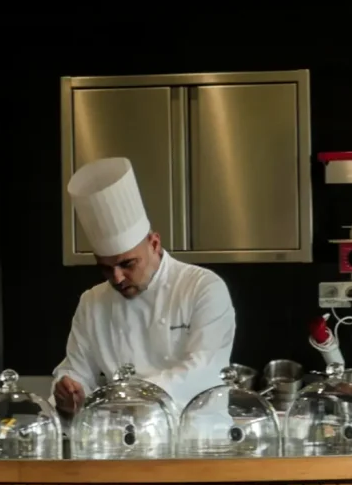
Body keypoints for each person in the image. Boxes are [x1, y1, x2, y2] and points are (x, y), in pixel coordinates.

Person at [52, 157, 237, 414]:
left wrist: (126, 397)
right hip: (122, 435)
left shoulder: (203, 288)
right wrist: (70, 390)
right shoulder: (92, 302)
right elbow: (77, 369)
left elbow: (203, 370)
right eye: (105, 268)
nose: (117, 278)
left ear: (154, 244)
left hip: (196, 434)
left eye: (127, 264)